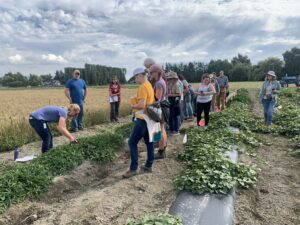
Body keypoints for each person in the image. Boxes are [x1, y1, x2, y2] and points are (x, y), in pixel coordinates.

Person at [123, 67, 155, 178]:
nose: (135, 80)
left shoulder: (142, 87)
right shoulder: (149, 85)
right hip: (149, 118)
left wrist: (132, 106)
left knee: (132, 142)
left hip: (142, 118)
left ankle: (133, 169)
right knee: (149, 142)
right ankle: (149, 165)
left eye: (135, 77)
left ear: (139, 75)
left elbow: (142, 105)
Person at [149, 64, 168, 159]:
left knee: (159, 130)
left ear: (157, 72)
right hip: (162, 106)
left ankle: (161, 152)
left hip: (159, 107)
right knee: (162, 128)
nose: (151, 74)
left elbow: (157, 98)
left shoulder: (159, 83)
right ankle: (163, 147)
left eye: (152, 72)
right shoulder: (161, 81)